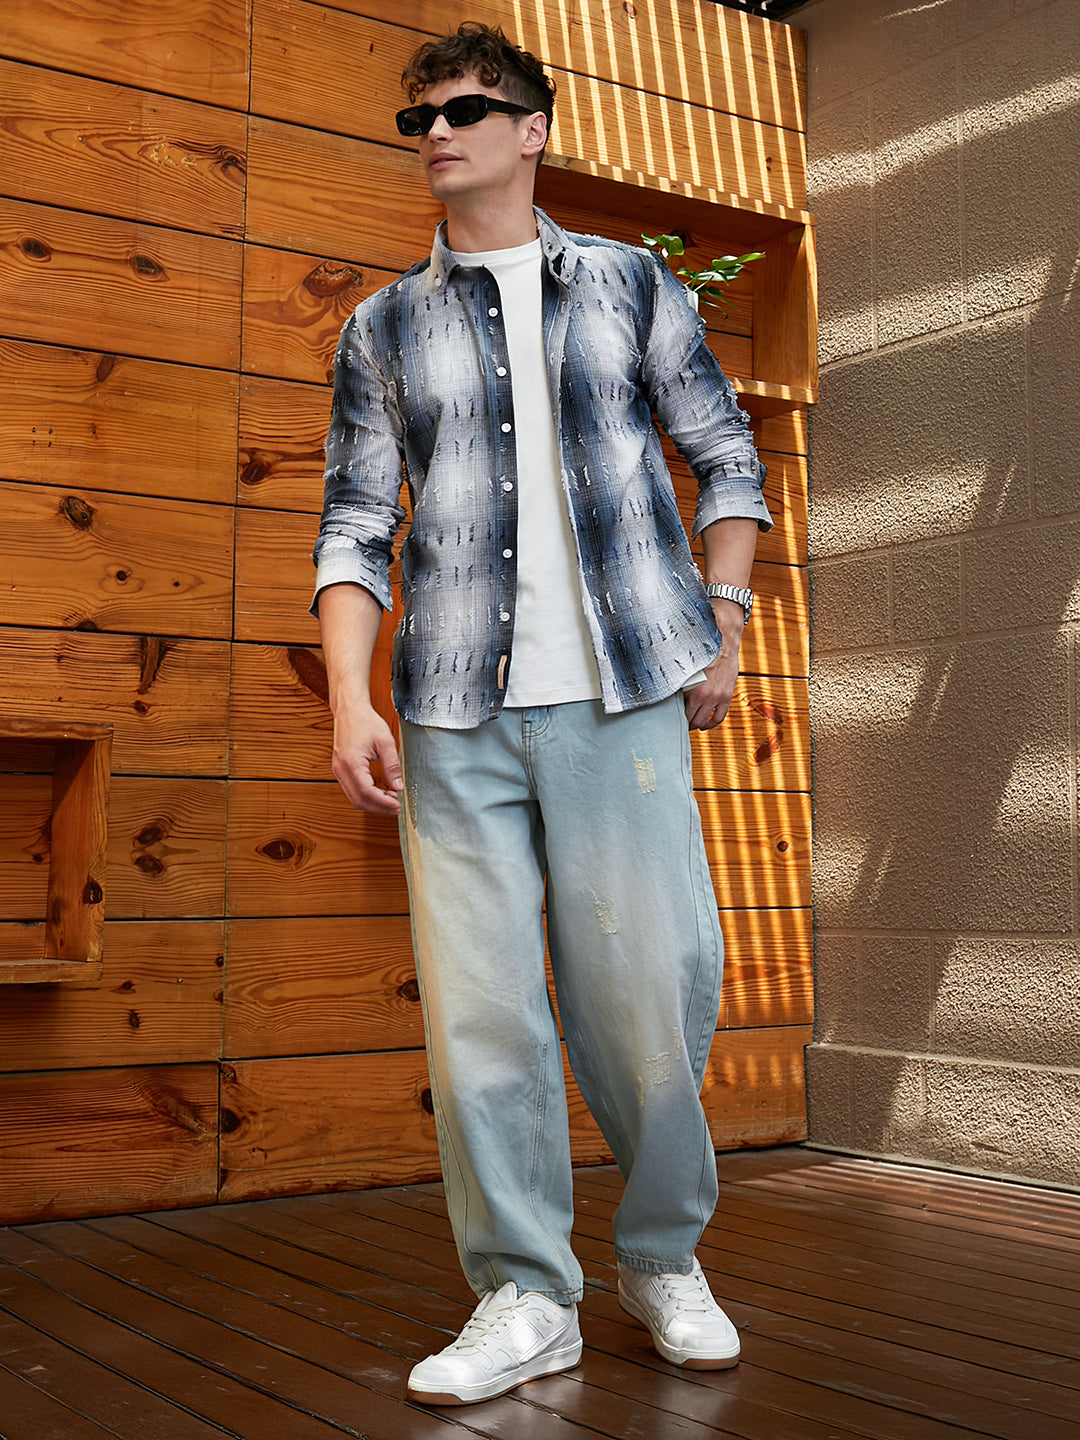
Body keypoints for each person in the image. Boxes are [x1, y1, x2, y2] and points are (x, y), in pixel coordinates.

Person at [312, 21, 772, 1408]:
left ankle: (663, 1259)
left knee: (649, 1001)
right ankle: (526, 1294)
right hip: (454, 714)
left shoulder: (633, 286)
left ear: (532, 130)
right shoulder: (382, 327)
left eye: (464, 110)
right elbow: (354, 523)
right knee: (482, 1020)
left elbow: (726, 458)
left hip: (624, 695)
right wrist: (350, 697)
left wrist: (723, 620)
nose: (438, 133)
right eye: (419, 119)